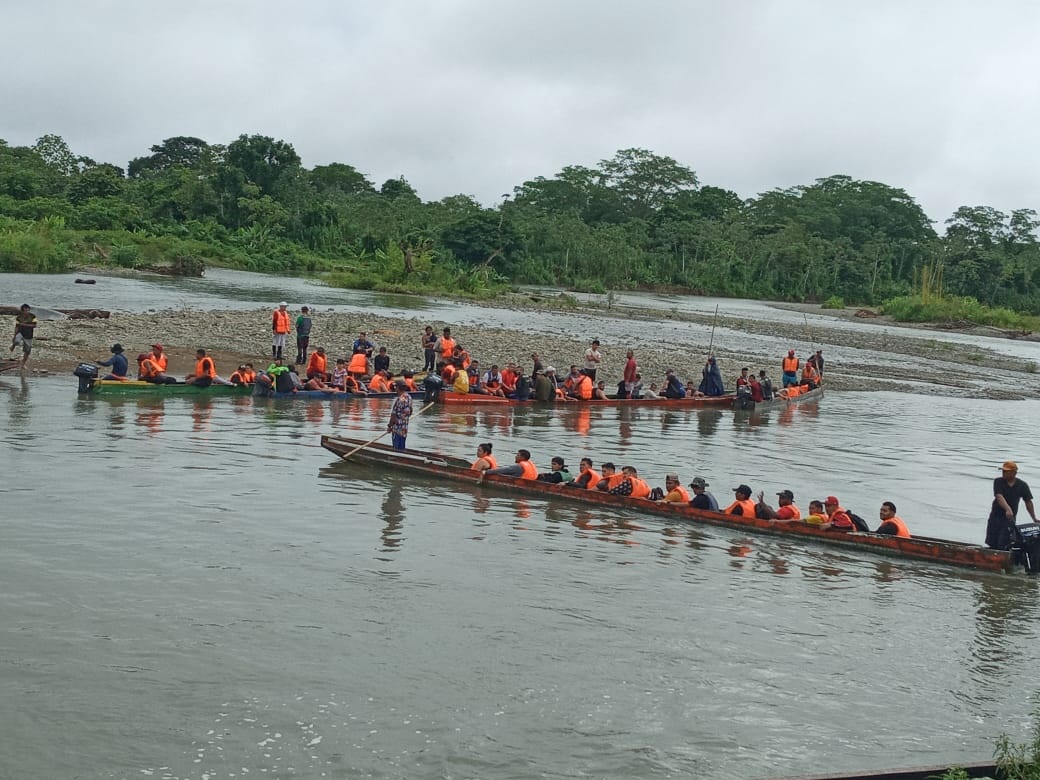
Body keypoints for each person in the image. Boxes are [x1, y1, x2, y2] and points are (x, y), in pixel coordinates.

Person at [986, 461, 1038, 549]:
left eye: (1006, 471)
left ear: (1014, 473)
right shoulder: (998, 481)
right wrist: (1007, 509)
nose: (1003, 473)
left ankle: (1004, 555)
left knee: (1004, 541)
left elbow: (1028, 502)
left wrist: (1034, 518)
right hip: (996, 515)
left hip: (1009, 518)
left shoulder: (1022, 485)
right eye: (1003, 471)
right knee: (992, 540)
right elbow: (999, 496)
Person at [386, 382, 413, 450]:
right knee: (401, 447)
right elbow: (410, 411)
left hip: (397, 429)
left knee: (396, 448)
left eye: (396, 387)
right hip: (404, 429)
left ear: (398, 388)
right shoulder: (409, 397)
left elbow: (393, 415)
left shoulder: (399, 400)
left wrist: (390, 426)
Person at [11, 303, 37, 368]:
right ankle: (13, 345)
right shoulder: (19, 317)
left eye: (28, 310)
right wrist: (14, 335)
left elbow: (34, 325)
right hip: (20, 332)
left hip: (29, 335)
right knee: (16, 341)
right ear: (22, 311)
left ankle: (23, 363)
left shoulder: (32, 316)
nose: (27, 312)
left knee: (27, 350)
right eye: (25, 310)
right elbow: (16, 327)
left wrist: (24, 325)